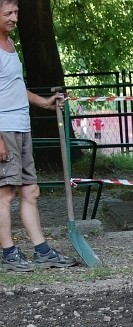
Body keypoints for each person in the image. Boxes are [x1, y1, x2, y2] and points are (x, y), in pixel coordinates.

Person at [0, 0, 76, 272]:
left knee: (30, 191)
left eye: (16, 12)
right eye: (8, 13)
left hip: (22, 126)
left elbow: (16, 87)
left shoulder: (10, 46)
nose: (14, 18)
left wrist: (44, 103)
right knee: (6, 193)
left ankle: (42, 251)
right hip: (4, 128)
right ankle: (8, 253)